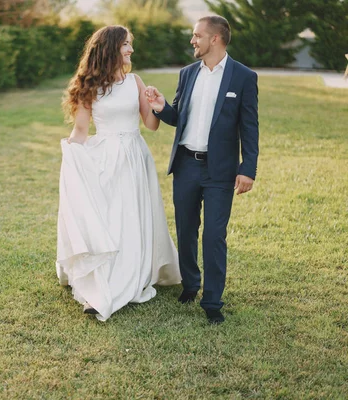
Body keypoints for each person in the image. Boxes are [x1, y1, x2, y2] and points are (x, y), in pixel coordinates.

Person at [55, 25, 181, 321]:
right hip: (107, 158)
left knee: (134, 216)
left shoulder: (135, 81)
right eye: (126, 44)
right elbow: (81, 130)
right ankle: (106, 280)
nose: (131, 50)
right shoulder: (89, 86)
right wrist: (71, 152)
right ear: (111, 47)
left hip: (135, 156)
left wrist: (154, 105)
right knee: (113, 218)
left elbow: (150, 126)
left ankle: (134, 271)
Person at [145, 15, 259, 324]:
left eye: (197, 36)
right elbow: (178, 117)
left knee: (214, 236)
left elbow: (250, 128)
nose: (193, 41)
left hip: (220, 170)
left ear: (216, 39)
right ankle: (190, 284)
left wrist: (248, 168)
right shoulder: (187, 73)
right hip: (185, 165)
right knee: (185, 229)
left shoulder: (243, 77)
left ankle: (212, 301)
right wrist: (161, 106)